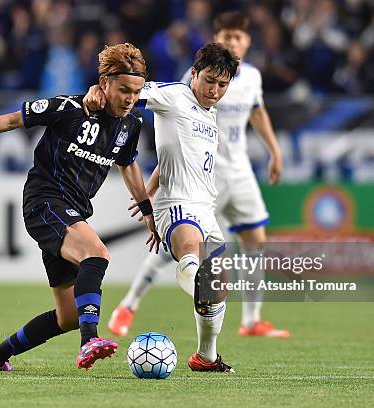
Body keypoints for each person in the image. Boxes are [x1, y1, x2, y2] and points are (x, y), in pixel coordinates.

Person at [0, 43, 160, 371]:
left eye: (136, 91)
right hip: (44, 201)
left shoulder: (131, 124)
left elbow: (128, 163)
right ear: (103, 83)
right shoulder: (70, 107)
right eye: (123, 90)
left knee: (68, 316)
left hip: (72, 213)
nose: (131, 99)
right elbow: (10, 121)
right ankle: (90, 341)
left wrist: (147, 209)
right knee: (97, 254)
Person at [108, 12, 290, 339]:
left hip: (236, 173)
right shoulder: (184, 90)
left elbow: (257, 114)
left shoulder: (247, 80)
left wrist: (275, 150)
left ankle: (248, 322)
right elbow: (149, 110)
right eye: (227, 36)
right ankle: (130, 303)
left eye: (239, 37)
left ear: (248, 42)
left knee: (248, 245)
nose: (216, 89)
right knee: (185, 247)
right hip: (196, 184)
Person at [85, 42, 238, 372]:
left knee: (221, 282)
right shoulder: (175, 96)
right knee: (190, 255)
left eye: (222, 85)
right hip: (178, 205)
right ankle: (191, 273)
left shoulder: (211, 116)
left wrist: (148, 190)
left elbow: (172, 158)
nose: (214, 90)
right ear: (194, 73)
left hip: (206, 209)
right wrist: (96, 92)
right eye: (209, 80)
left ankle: (206, 356)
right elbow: (131, 91)